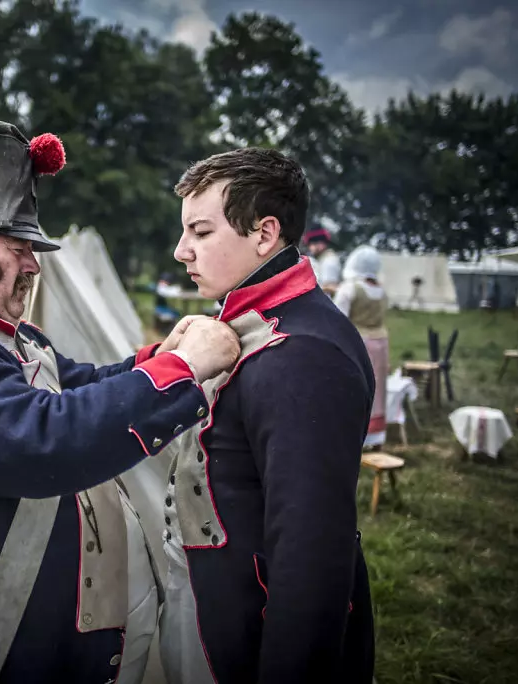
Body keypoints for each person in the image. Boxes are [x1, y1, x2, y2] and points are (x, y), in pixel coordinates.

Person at [0, 119, 241, 684]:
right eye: (18, 248)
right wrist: (182, 371)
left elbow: (81, 385)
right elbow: (47, 439)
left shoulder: (4, 339)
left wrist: (159, 357)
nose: (33, 264)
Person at [156, 147, 376, 684]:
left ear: (264, 233)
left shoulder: (304, 356)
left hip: (247, 632)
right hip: (212, 603)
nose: (181, 251)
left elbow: (310, 558)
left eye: (201, 232)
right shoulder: (262, 320)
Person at [334, 246, 390, 449]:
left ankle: (354, 434)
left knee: (355, 387)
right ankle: (376, 436)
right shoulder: (381, 290)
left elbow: (338, 319)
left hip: (358, 343)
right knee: (378, 388)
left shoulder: (349, 288)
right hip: (381, 343)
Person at [302, 227, 341, 294]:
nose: (311, 247)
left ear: (322, 244)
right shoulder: (322, 259)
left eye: (313, 243)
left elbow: (329, 288)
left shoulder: (329, 261)